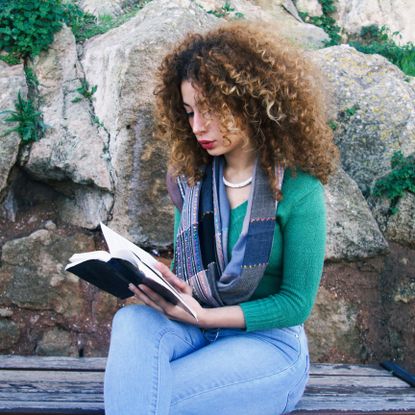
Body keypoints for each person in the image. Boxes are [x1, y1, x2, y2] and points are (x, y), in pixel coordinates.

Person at [104, 21, 339, 415]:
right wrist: (157, 282)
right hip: (197, 328)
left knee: (150, 395)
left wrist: (203, 316)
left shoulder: (299, 188)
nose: (198, 127)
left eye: (210, 109)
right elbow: (189, 272)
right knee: (131, 325)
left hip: (268, 344)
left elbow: (296, 303)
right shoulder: (191, 180)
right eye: (189, 111)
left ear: (251, 100)